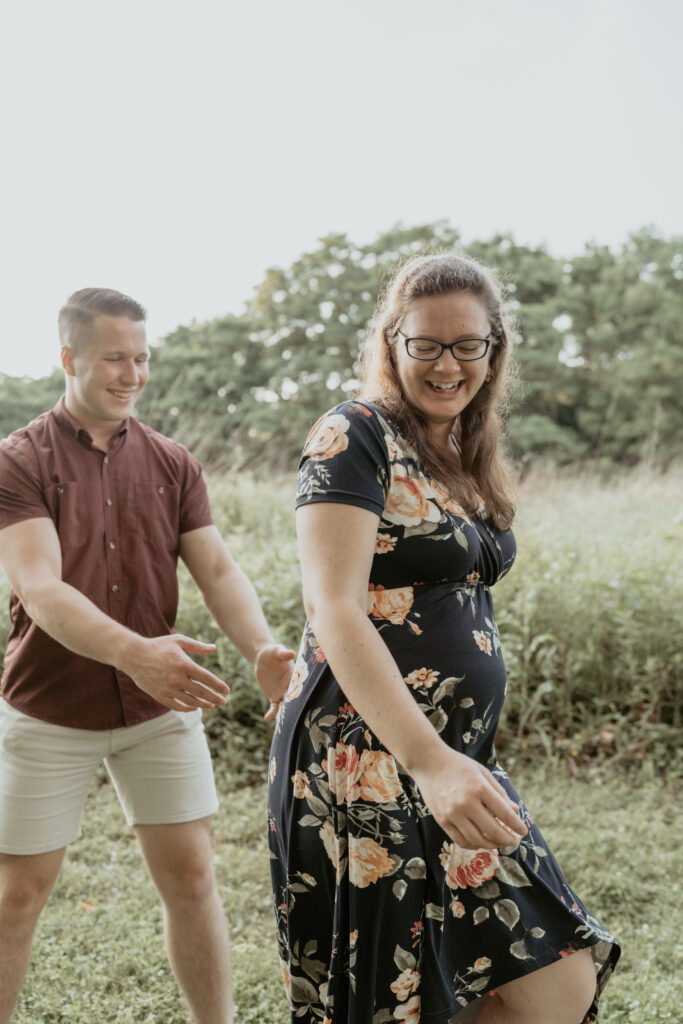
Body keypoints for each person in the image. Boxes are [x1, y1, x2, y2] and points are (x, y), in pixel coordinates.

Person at [267, 254, 620, 1024]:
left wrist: (448, 759)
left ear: (495, 350)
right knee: (396, 998)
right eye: (425, 344)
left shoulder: (462, 450)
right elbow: (333, 606)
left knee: (553, 985)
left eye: (469, 345)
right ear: (391, 343)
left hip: (454, 758)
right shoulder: (354, 433)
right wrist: (429, 763)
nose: (446, 363)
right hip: (371, 756)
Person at [0, 287, 294, 1024]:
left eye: (140, 359)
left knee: (193, 876)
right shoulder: (17, 461)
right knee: (17, 895)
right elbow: (39, 588)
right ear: (68, 358)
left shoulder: (172, 462)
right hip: (48, 704)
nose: (131, 375)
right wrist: (140, 654)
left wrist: (259, 646)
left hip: (157, 708)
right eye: (113, 359)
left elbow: (218, 572)